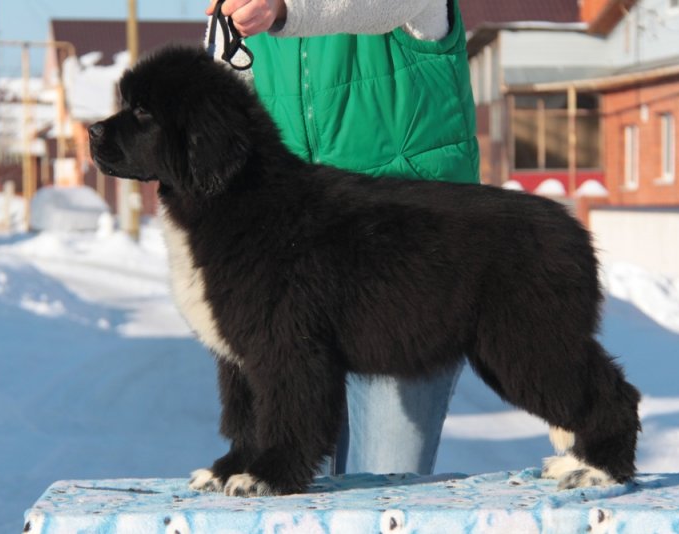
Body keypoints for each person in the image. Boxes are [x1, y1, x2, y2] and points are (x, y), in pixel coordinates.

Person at [204, 0, 480, 476]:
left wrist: (284, 9)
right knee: (292, 489)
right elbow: (234, 117)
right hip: (302, 268)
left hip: (405, 263)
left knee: (387, 488)